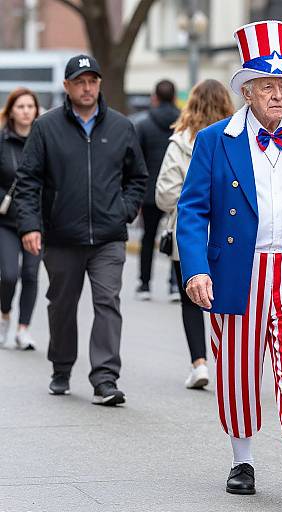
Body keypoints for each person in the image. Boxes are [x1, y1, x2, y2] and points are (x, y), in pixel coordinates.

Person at [177, 21, 282, 506]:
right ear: (247, 91)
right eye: (267, 86)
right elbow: (192, 210)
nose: (278, 94)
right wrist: (196, 268)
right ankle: (242, 460)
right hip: (238, 269)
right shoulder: (215, 140)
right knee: (239, 369)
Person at [15, 54, 147, 405]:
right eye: (79, 81)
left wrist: (124, 211)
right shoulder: (46, 128)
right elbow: (27, 181)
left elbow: (138, 178)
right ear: (67, 86)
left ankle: (105, 378)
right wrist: (30, 225)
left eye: (92, 81)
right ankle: (61, 367)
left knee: (107, 302)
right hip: (61, 236)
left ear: (99, 84)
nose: (87, 88)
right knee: (61, 305)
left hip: (108, 236)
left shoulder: (121, 127)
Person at [156, 79, 234, 389]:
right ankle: (230, 363)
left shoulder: (180, 142)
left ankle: (199, 363)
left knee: (191, 302)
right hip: (231, 233)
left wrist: (191, 201)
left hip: (190, 233)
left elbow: (164, 194)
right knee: (229, 298)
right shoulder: (236, 138)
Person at [0, 88, 41, 350]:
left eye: (30, 106)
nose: (26, 111)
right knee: (9, 275)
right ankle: (5, 315)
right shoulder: (2, 141)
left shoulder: (43, 140)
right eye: (21, 106)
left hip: (37, 221)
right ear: (11, 110)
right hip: (6, 221)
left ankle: (23, 329)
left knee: (31, 274)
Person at [134, 80, 180, 301]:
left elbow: (137, 159)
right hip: (177, 190)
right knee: (176, 237)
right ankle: (174, 285)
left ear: (154, 98)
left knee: (147, 237)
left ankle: (144, 284)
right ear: (173, 98)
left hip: (150, 191)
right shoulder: (182, 124)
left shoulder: (144, 125)